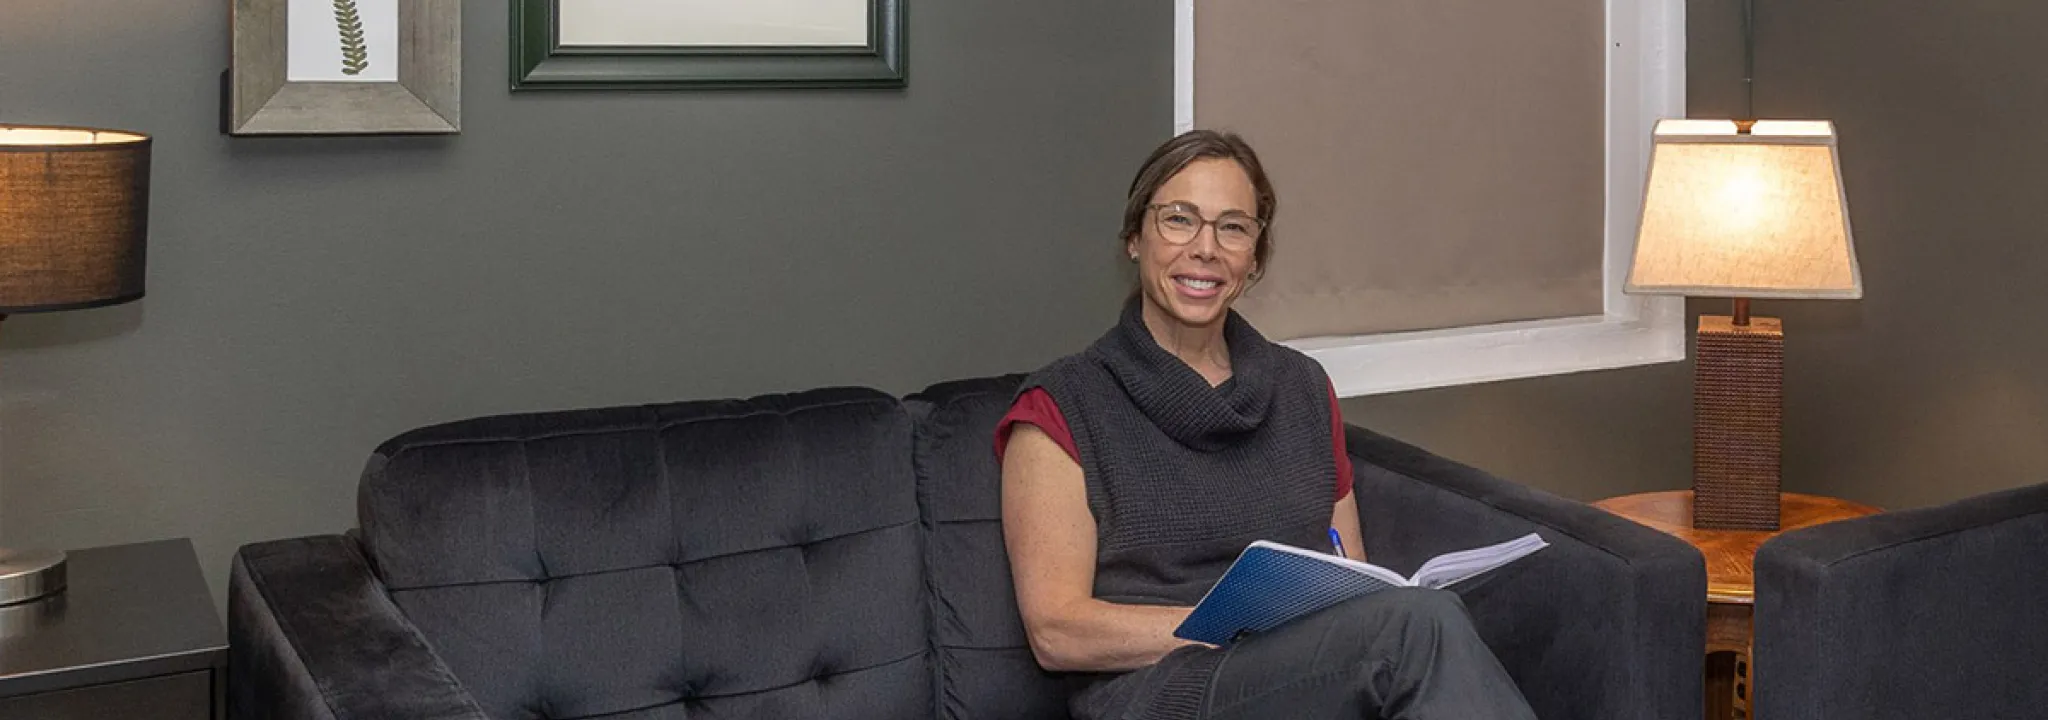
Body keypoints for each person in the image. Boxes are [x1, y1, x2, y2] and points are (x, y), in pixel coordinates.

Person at [993, 129, 1538, 720]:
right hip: (1162, 693)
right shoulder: (1064, 404)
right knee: (1417, 628)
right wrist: (1244, 628)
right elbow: (1057, 631)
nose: (1206, 248)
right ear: (1135, 237)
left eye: (1233, 227)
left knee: (1419, 626)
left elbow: (1349, 575)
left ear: (1254, 258)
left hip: (1307, 680)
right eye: (1179, 219)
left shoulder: (1301, 388)